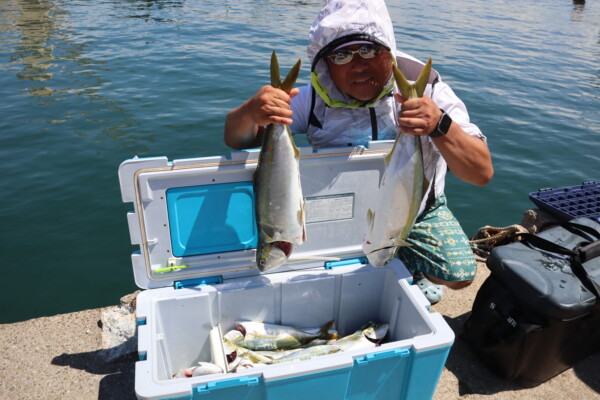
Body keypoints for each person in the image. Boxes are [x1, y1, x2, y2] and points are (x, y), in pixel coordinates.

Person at [224, 0, 493, 304]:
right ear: (325, 64)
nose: (358, 64)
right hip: (337, 207)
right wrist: (250, 112)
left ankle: (407, 263)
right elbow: (237, 140)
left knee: (458, 273)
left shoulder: (429, 91)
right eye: (341, 55)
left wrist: (439, 125)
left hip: (414, 210)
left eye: (368, 50)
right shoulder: (312, 100)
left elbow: (481, 173)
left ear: (388, 53)